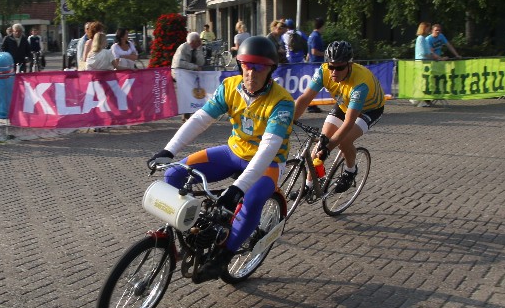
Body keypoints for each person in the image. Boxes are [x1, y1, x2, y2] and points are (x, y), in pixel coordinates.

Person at [148, 35, 293, 282]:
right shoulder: (230, 87)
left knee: (252, 199)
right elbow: (200, 119)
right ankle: (193, 231)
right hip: (233, 152)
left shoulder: (282, 102)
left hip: (267, 163)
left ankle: (223, 257)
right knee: (173, 173)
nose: (251, 73)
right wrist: (169, 151)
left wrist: (238, 188)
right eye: (247, 65)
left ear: (270, 70)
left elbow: (268, 149)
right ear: (239, 65)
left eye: (259, 67)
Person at [292, 41, 384, 193]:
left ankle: (350, 171)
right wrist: (286, 123)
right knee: (321, 143)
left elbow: (348, 123)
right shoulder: (323, 71)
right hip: (345, 104)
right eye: (331, 66)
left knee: (343, 141)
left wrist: (328, 149)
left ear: (349, 65)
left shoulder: (360, 83)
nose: (334, 71)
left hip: (369, 110)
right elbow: (305, 99)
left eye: (340, 67)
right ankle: (309, 186)